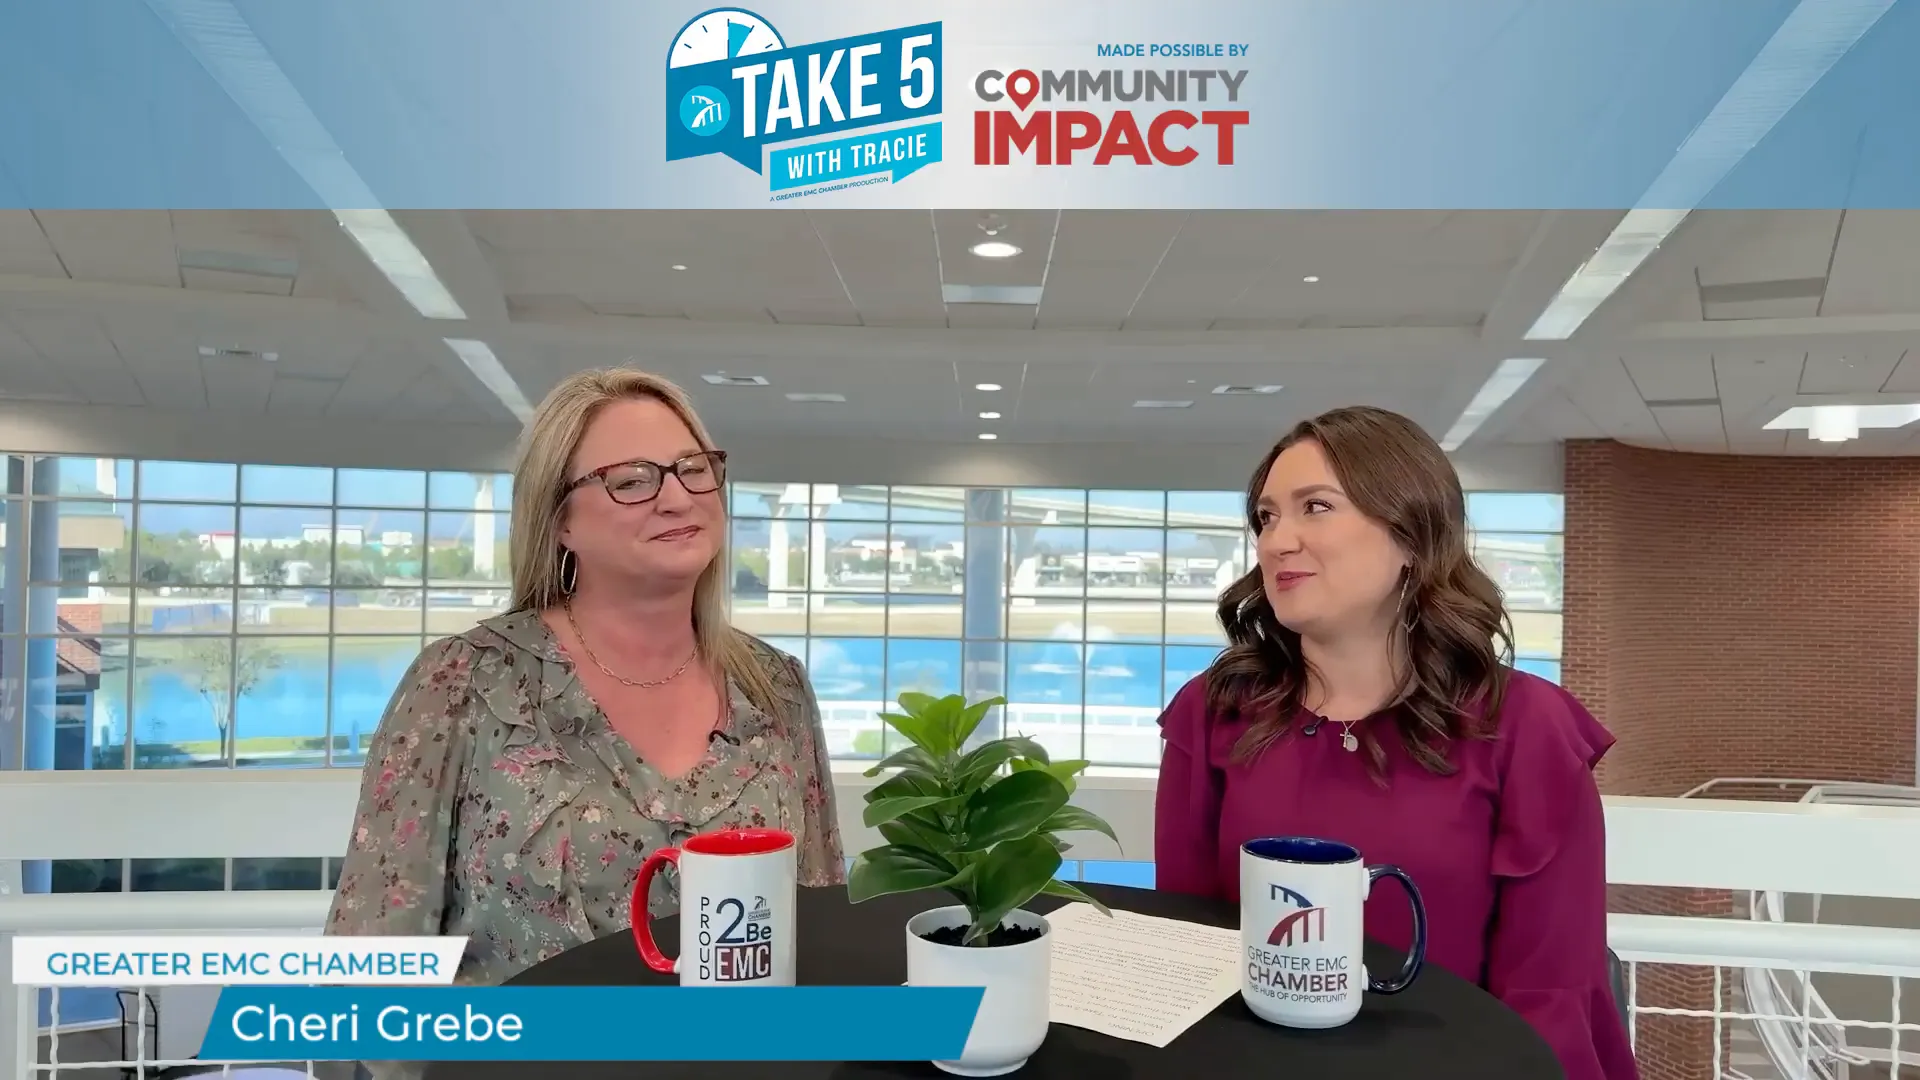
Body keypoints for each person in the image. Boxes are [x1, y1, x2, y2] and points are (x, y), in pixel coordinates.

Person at [1154, 406, 1636, 1080]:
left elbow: (1550, 997)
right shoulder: (1214, 713)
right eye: (1265, 517)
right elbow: (1186, 951)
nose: (1275, 541)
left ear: (1411, 535)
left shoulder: (1527, 728)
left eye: (1314, 507)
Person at [325, 366, 846, 984]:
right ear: (560, 522)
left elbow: (819, 922)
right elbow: (369, 961)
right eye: (631, 480)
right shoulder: (464, 683)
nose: (677, 497)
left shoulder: (776, 686)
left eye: (694, 468)